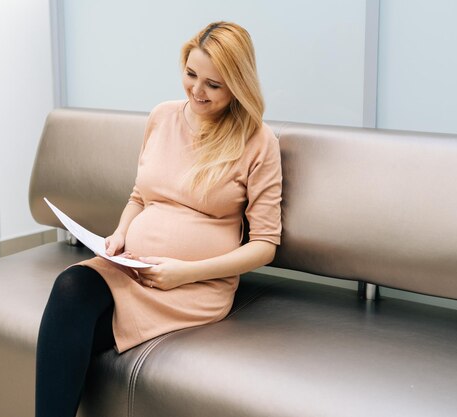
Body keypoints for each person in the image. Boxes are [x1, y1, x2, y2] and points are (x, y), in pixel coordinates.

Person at [35, 21, 282, 417]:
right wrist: (117, 236)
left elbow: (264, 246)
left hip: (194, 285)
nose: (197, 92)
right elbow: (139, 196)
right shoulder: (162, 117)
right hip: (131, 267)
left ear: (238, 84)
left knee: (72, 335)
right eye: (190, 75)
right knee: (71, 286)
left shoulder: (258, 141)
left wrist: (185, 272)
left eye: (213, 85)